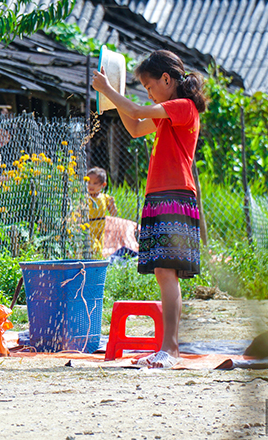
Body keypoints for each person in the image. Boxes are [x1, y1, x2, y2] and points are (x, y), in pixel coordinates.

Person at [92, 49, 208, 369]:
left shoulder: (182, 107)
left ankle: (170, 350)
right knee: (163, 273)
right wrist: (114, 98)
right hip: (160, 196)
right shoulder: (168, 114)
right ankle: (167, 348)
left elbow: (137, 109)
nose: (148, 92)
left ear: (167, 80)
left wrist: (110, 91)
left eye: (149, 85)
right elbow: (135, 125)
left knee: (167, 274)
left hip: (174, 196)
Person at [86, 167, 118, 258]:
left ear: (103, 185)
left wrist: (112, 204)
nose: (91, 186)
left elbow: (113, 213)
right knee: (93, 246)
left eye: (95, 183)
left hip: (100, 228)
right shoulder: (85, 197)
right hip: (88, 226)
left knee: (99, 249)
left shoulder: (105, 198)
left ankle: (96, 264)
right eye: (88, 182)